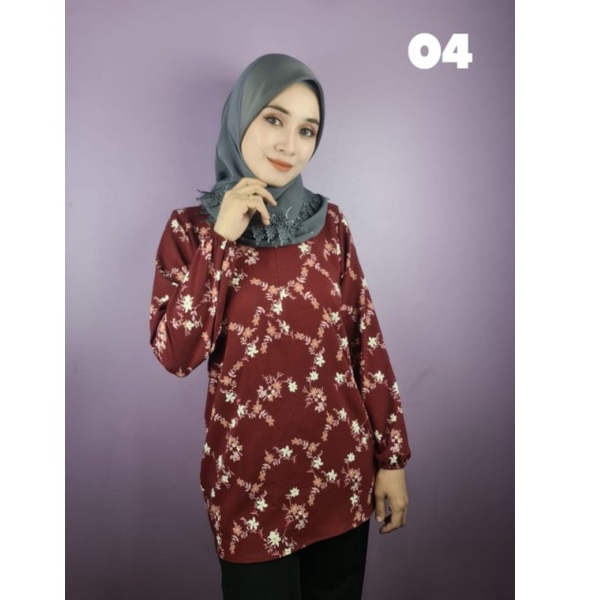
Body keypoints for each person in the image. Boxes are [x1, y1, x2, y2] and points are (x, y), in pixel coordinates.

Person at [149, 53, 411, 600]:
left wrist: (391, 459)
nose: (289, 144)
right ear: (241, 117)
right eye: (274, 119)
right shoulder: (190, 231)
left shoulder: (329, 225)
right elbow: (176, 354)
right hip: (249, 488)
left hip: (341, 475)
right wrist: (222, 237)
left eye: (306, 130)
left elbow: (365, 343)